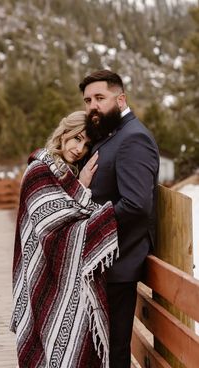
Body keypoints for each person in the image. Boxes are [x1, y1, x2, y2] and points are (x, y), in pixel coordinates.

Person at [10, 111, 119, 368]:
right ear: (64, 132)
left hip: (62, 274)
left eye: (85, 144)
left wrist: (78, 187)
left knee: (69, 338)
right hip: (42, 271)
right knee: (48, 340)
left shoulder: (65, 173)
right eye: (76, 138)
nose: (79, 148)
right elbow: (49, 226)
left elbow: (69, 214)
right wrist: (85, 195)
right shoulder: (39, 169)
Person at [79, 70, 160, 368]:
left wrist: (89, 227)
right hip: (102, 263)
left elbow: (137, 204)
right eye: (88, 100)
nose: (92, 106)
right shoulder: (113, 134)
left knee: (113, 352)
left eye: (100, 98)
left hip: (118, 262)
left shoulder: (133, 138)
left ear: (121, 98)